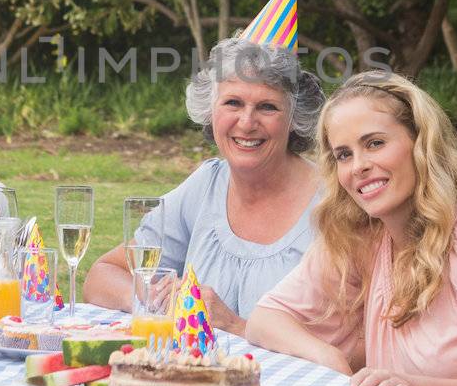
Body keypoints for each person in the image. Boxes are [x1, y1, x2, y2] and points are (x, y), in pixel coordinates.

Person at [247, 71, 457, 386]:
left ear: (420, 143)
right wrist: (331, 359)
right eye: (344, 155)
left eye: (374, 143)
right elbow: (264, 320)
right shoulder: (362, 235)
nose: (359, 167)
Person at [83, 40, 325, 331]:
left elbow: (361, 343)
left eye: (267, 107)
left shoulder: (331, 204)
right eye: (233, 103)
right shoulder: (207, 184)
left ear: (294, 118)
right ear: (211, 110)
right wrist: (154, 299)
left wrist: (236, 326)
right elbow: (103, 274)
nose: (247, 123)